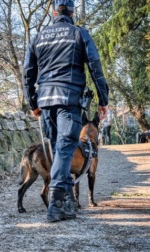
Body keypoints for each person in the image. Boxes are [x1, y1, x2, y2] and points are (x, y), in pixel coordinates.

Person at [23, 0, 109, 222]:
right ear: (72, 13)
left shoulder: (39, 36)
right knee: (64, 148)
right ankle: (56, 202)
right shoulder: (79, 33)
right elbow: (95, 66)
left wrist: (33, 103)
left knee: (56, 149)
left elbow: (28, 73)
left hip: (46, 101)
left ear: (53, 12)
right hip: (69, 99)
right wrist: (103, 99)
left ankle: (68, 202)